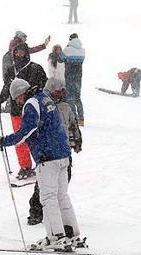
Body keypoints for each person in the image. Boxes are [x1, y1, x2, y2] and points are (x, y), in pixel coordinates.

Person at [0, 78, 80, 251]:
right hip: (63, 154)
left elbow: (26, 131)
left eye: (17, 98)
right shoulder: (44, 98)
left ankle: (56, 236)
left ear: (20, 94)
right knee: (61, 196)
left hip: (48, 157)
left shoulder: (31, 104)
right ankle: (72, 234)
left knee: (48, 197)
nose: (18, 102)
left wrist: (5, 141)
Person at [28, 77, 82, 227]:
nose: (61, 93)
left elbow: (73, 124)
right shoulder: (44, 105)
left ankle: (58, 211)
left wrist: (77, 140)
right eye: (58, 90)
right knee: (44, 185)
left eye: (62, 91)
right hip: (49, 152)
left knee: (63, 184)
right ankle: (36, 211)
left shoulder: (66, 107)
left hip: (64, 151)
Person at [0, 43, 47, 180]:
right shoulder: (11, 70)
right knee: (20, 139)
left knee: (36, 137)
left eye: (22, 52)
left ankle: (43, 163)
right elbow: (7, 87)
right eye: (16, 52)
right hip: (16, 110)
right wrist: (1, 98)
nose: (19, 54)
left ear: (27, 53)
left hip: (34, 108)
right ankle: (25, 166)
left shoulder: (35, 68)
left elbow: (44, 85)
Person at [63, 34, 85, 125]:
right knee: (77, 97)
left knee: (70, 98)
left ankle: (74, 118)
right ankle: (81, 118)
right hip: (78, 76)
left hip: (69, 76)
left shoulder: (67, 50)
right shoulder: (82, 51)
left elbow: (60, 59)